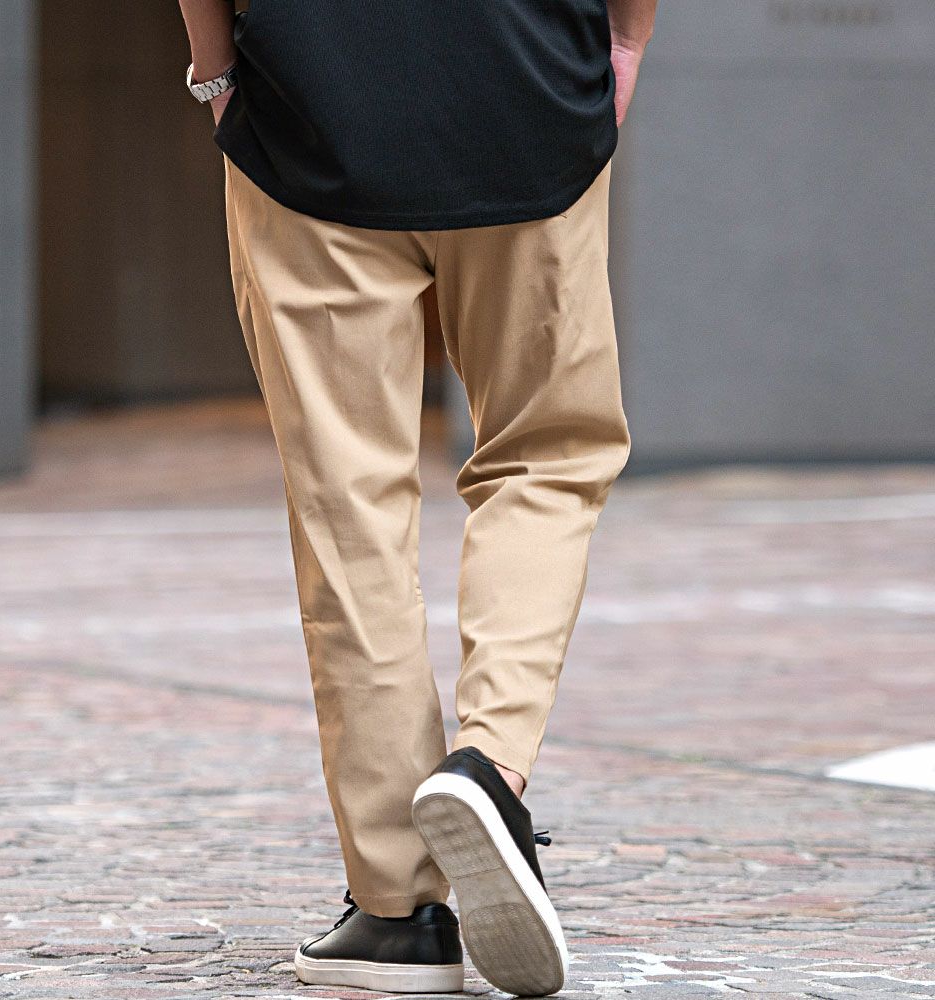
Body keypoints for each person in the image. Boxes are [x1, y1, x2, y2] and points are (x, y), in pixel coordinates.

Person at [178, 0, 657, 994]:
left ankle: (397, 912)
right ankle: (491, 764)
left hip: (309, 103)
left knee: (348, 501)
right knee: (546, 453)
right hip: (528, 87)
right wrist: (625, 39)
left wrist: (216, 73)